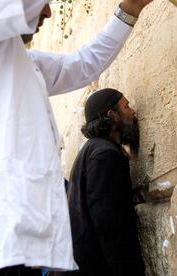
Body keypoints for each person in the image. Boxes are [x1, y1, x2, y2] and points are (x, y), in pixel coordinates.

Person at [0, 1, 153, 275]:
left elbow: (82, 64)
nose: (48, 12)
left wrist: (130, 9)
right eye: (43, 4)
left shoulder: (22, 62)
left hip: (15, 250)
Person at [65, 88, 144, 276]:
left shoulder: (93, 150)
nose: (133, 112)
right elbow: (110, 227)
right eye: (126, 106)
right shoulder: (104, 155)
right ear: (112, 115)